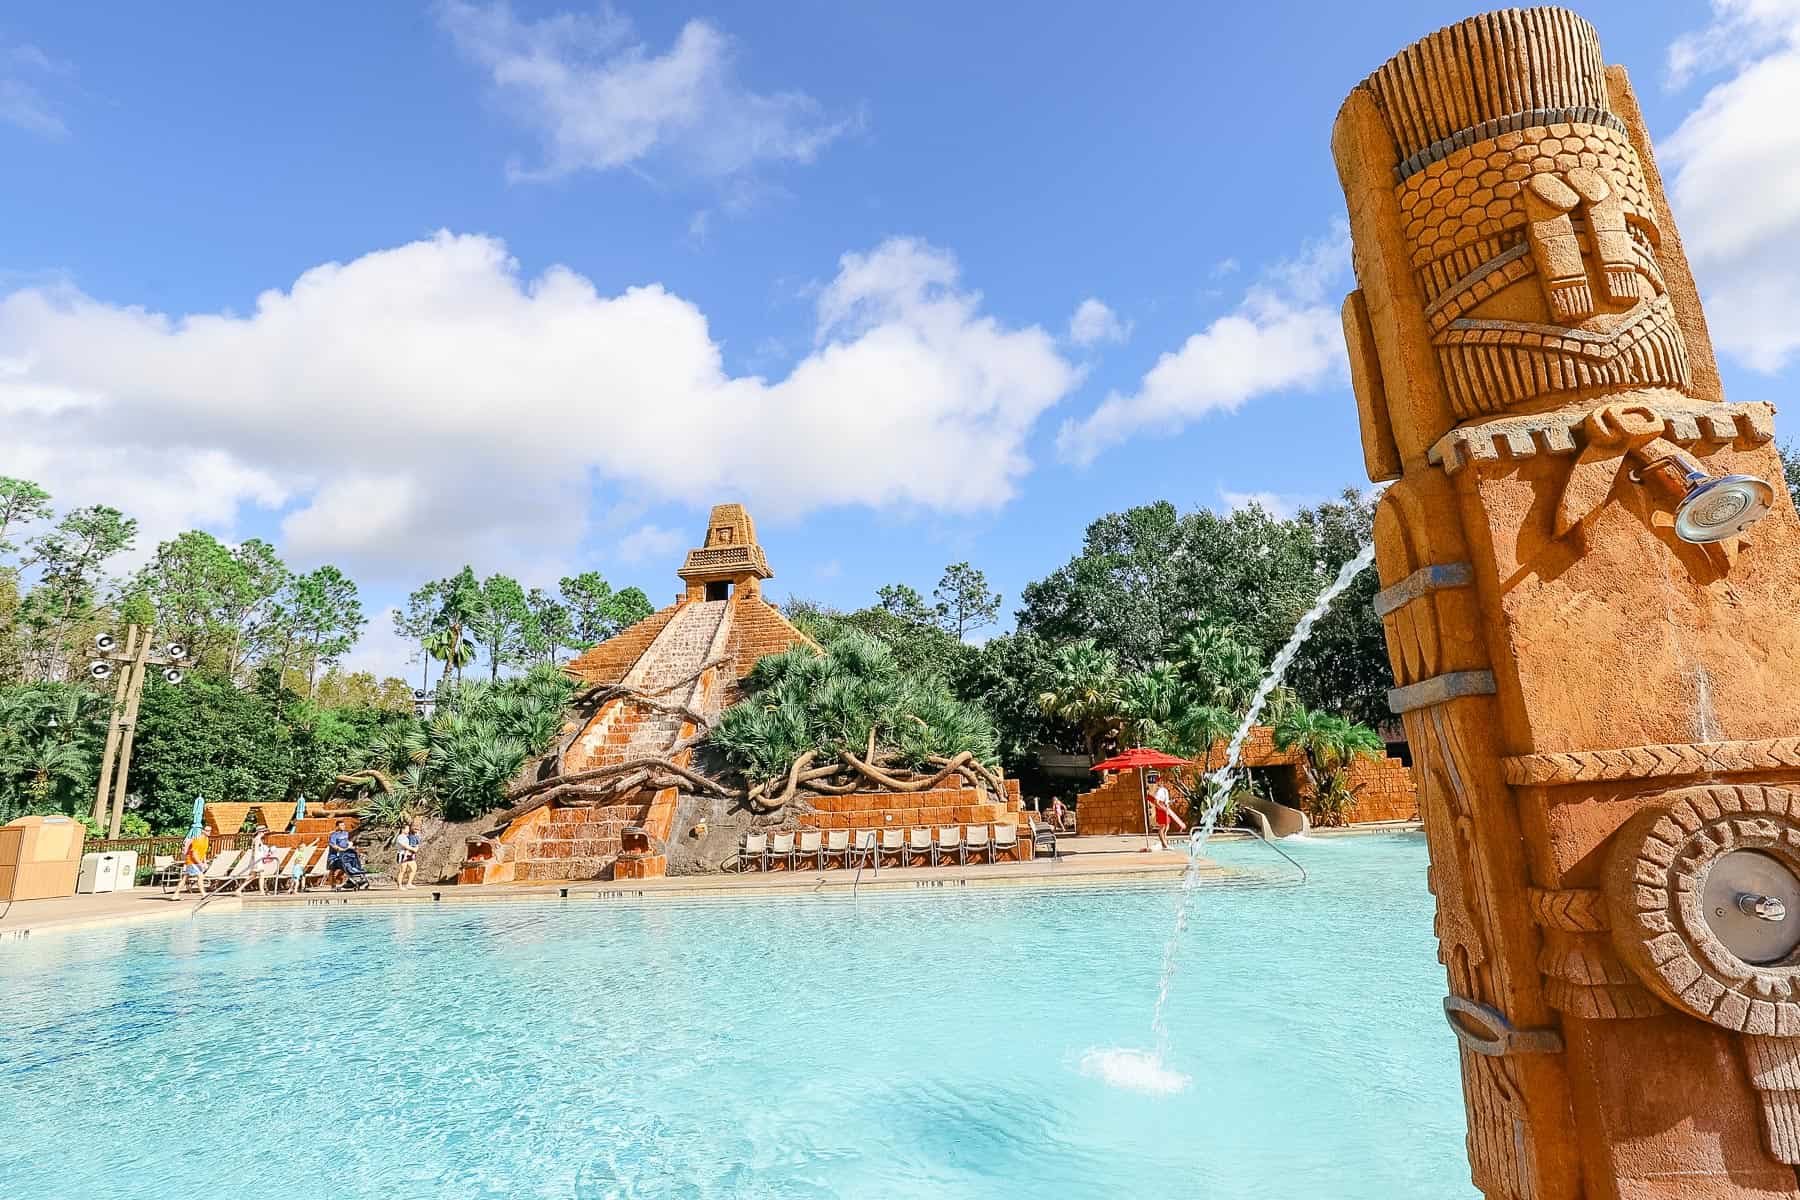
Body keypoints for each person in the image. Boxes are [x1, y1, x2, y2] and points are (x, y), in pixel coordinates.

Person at [1146, 771, 1188, 851]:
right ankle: (1164, 845)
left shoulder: (1164, 790)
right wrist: (1162, 809)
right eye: (1162, 781)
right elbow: (1156, 801)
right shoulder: (1160, 790)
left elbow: (1165, 801)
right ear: (1160, 782)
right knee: (1162, 827)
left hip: (1165, 808)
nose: (1164, 782)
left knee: (1167, 826)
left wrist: (1172, 801)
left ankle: (1164, 843)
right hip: (1162, 809)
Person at [327, 819, 371, 890]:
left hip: (345, 855)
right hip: (334, 856)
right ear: (337, 827)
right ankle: (333, 886)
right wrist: (340, 849)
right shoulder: (334, 835)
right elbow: (333, 845)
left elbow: (349, 841)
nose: (343, 826)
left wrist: (351, 846)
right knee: (332, 870)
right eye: (341, 825)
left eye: (344, 825)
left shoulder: (346, 834)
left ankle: (351, 881)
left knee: (347, 867)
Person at [173, 829, 211, 899]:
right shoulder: (197, 839)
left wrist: (204, 862)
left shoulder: (206, 839)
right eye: (207, 830)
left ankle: (175, 894)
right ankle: (203, 894)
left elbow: (204, 852)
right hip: (192, 861)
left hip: (196, 862)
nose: (209, 832)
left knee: (185, 878)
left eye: (210, 830)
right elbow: (194, 854)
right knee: (200, 876)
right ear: (203, 831)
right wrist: (200, 864)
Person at [247, 826, 282, 894]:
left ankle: (239, 889)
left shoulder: (258, 839)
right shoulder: (257, 839)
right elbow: (255, 850)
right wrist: (256, 860)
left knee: (253, 876)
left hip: (258, 859)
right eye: (263, 831)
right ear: (260, 832)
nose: (264, 833)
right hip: (257, 860)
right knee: (261, 875)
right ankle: (261, 891)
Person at [394, 820, 421, 889]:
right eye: (407, 829)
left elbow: (413, 842)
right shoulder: (400, 837)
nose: (408, 830)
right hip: (402, 855)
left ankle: (409, 883)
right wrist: (414, 849)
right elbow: (405, 846)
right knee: (402, 870)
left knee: (414, 868)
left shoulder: (407, 836)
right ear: (403, 829)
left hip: (409, 855)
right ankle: (399, 885)